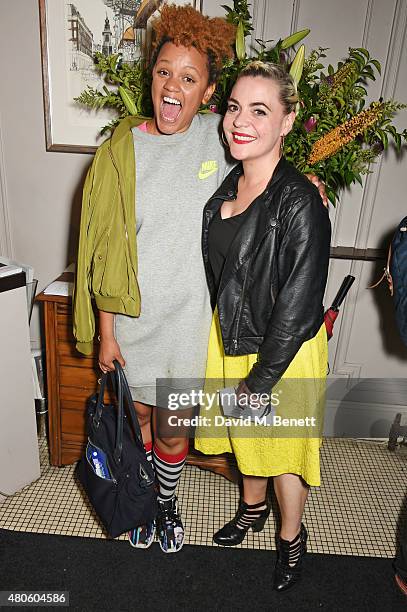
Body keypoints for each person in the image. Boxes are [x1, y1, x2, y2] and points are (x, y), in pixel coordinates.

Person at [73, 5, 327, 554]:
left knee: (174, 431)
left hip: (194, 329)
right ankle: (139, 501)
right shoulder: (120, 151)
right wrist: (107, 332)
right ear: (152, 76)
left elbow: (262, 145)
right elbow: (101, 253)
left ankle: (166, 503)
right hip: (135, 324)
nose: (173, 86)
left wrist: (302, 178)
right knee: (137, 421)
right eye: (165, 71)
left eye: (189, 78)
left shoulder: (218, 136)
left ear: (208, 93)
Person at [194, 61, 331, 592]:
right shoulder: (227, 180)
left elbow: (298, 303)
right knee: (245, 437)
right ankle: (252, 510)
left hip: (283, 348)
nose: (240, 121)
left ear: (288, 121)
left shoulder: (299, 199)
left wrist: (260, 380)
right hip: (233, 334)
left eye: (259, 110)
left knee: (282, 454)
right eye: (233, 108)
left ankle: (291, 538)